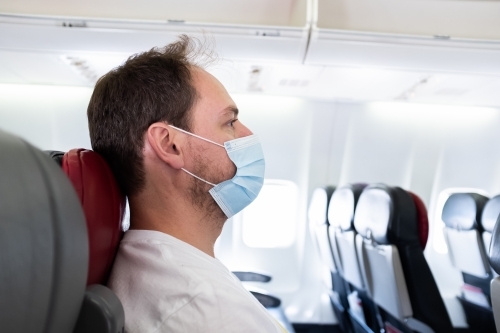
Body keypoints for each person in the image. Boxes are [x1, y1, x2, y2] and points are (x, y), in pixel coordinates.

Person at [87, 35, 286, 333]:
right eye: (230, 122)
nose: (248, 134)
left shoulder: (150, 259)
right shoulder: (207, 307)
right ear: (169, 145)